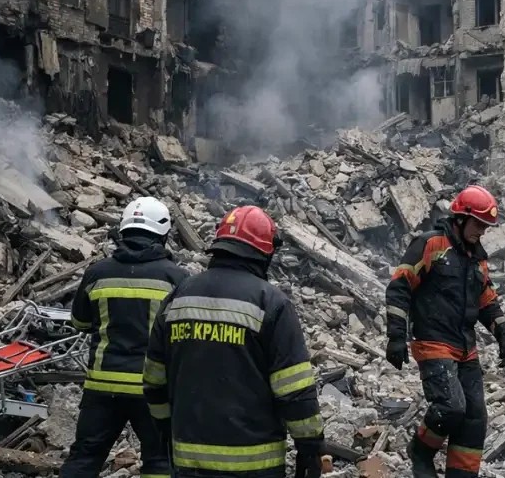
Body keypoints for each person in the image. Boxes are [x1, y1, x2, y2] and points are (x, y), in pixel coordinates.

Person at [143, 206, 324, 478]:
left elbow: (154, 378)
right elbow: (294, 388)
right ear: (265, 252)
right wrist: (309, 446)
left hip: (189, 462)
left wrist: (164, 427)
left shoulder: (179, 296)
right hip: (254, 466)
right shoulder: (271, 302)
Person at [384, 185, 505, 478]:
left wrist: (503, 331)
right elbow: (400, 286)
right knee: (451, 407)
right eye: (478, 224)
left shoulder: (477, 258)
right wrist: (396, 336)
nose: (481, 231)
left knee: (474, 417)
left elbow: (486, 300)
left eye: (486, 226)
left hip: (465, 346)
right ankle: (420, 452)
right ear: (460, 218)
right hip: (433, 341)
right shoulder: (431, 245)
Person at [63, 197, 187, 478]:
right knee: (160, 460)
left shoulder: (97, 273)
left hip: (102, 386)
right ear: (163, 234)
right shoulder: (176, 279)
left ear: (123, 230)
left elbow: (79, 322)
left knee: (85, 456)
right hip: (153, 388)